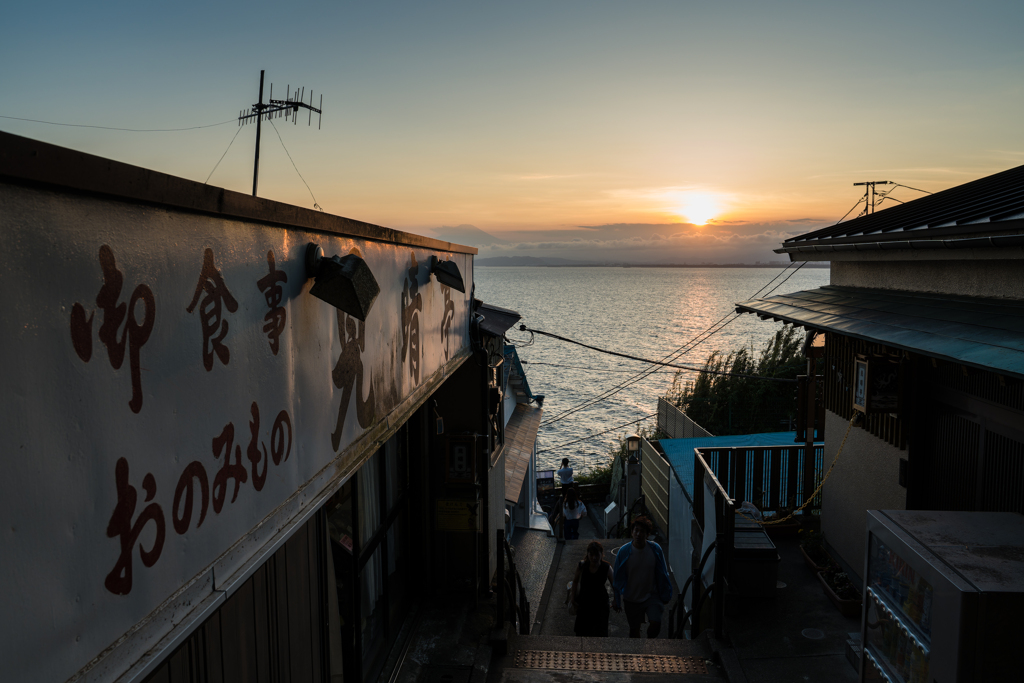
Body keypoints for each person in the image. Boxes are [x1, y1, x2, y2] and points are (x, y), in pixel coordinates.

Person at [611, 515, 672, 638]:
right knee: (634, 631)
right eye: (636, 530)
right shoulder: (624, 551)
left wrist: (665, 594)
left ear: (647, 534)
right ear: (632, 532)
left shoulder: (655, 549)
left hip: (652, 595)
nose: (638, 534)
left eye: (642, 531)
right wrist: (616, 599)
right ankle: (638, 653)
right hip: (631, 598)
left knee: (655, 625)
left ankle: (648, 645)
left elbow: (663, 573)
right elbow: (617, 578)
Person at [572, 541, 614, 637]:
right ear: (588, 554)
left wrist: (616, 600)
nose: (594, 558)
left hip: (601, 605)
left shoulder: (606, 567)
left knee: (599, 633)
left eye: (597, 555)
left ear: (601, 554)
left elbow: (615, 585)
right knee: (582, 633)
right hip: (584, 603)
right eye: (591, 555)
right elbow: (575, 581)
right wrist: (572, 598)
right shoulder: (582, 566)